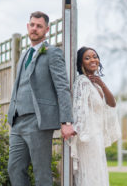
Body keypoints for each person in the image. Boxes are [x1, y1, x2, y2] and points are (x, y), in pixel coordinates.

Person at [7, 11, 75, 186]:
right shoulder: (23, 55)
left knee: (41, 172)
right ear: (27, 27)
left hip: (38, 121)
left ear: (46, 29)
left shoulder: (52, 53)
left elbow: (62, 87)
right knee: (14, 169)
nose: (35, 29)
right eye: (32, 25)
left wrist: (66, 120)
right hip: (17, 121)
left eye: (39, 26)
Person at [70, 46, 121, 186]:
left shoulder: (96, 85)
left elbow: (112, 103)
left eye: (95, 56)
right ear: (81, 64)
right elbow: (78, 109)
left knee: (97, 174)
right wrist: (78, 131)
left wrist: (101, 83)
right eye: (87, 58)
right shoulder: (82, 82)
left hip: (96, 137)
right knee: (90, 175)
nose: (93, 59)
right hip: (87, 138)